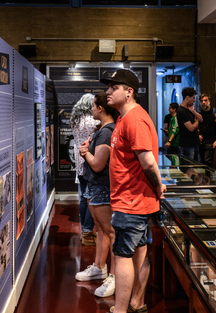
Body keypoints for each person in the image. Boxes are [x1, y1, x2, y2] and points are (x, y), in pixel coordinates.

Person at [102, 69, 166, 313]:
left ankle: (121, 310)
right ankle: (137, 303)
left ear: (128, 92)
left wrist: (158, 185)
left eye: (113, 87)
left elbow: (148, 162)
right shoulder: (124, 118)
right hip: (131, 200)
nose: (108, 92)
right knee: (138, 252)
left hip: (131, 201)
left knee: (122, 255)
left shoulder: (135, 119)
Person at [76, 93, 120, 299]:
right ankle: (99, 267)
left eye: (93, 106)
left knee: (109, 232)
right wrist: (86, 150)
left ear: (101, 108)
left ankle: (113, 275)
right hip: (96, 186)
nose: (91, 110)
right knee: (100, 231)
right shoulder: (101, 131)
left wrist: (86, 154)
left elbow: (98, 163)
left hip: (103, 186)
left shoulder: (105, 133)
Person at [70, 93, 99, 246]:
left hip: (79, 160)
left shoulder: (75, 120)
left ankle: (84, 229)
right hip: (90, 160)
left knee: (82, 196)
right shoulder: (92, 121)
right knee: (91, 196)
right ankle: (88, 230)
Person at [176, 87, 203, 160]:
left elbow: (201, 119)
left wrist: (193, 111)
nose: (194, 100)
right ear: (187, 97)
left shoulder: (190, 108)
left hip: (194, 142)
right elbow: (190, 128)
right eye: (193, 98)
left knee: (196, 166)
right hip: (186, 144)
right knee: (189, 168)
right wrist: (197, 121)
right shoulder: (181, 111)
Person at [198, 93, 216, 167]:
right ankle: (205, 178)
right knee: (202, 161)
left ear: (209, 101)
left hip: (211, 140)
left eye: (205, 100)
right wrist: (198, 134)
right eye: (201, 101)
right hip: (202, 140)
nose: (203, 102)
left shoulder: (214, 112)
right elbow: (197, 125)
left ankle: (209, 177)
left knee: (207, 160)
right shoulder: (199, 113)